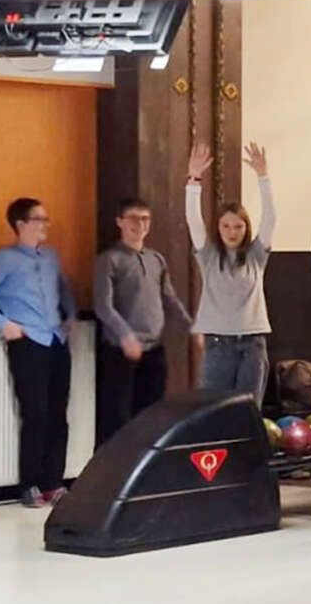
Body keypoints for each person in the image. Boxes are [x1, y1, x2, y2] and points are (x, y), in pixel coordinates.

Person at [0, 197, 78, 509]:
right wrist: (4, 324)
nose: (45, 225)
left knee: (59, 414)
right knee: (36, 413)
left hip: (56, 340)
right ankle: (29, 483)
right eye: (39, 219)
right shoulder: (3, 259)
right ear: (21, 225)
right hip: (29, 342)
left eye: (46, 219)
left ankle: (53, 482)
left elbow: (64, 288)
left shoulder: (51, 257)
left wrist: (69, 315)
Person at [92, 195, 193, 444]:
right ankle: (113, 476)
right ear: (120, 222)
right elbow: (103, 306)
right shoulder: (109, 259)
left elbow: (169, 298)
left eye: (145, 219)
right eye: (134, 219)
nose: (140, 225)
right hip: (121, 350)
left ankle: (145, 475)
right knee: (117, 416)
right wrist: (126, 335)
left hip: (154, 348)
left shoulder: (156, 259)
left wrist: (192, 327)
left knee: (151, 414)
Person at [184, 142, 275, 405]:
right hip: (217, 344)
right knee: (213, 410)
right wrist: (194, 180)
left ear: (245, 228)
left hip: (252, 343)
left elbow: (270, 218)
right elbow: (193, 220)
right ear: (219, 228)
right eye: (226, 226)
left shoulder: (257, 255)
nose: (232, 231)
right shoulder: (209, 255)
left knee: (248, 411)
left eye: (238, 226)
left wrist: (263, 177)